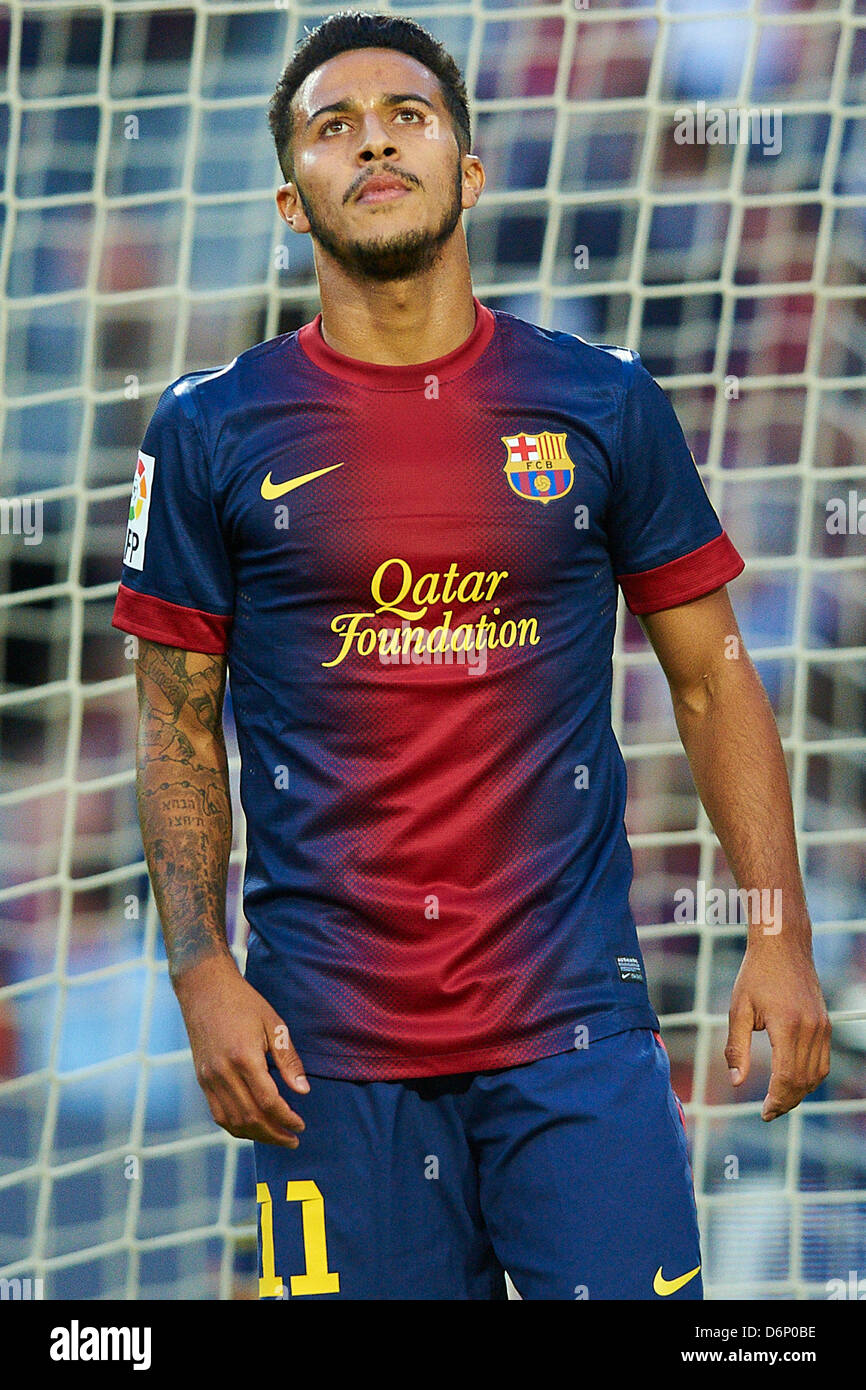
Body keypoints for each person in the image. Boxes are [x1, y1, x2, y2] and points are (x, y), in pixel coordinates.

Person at [112, 10, 830, 1300]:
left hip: (573, 1034)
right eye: (333, 127)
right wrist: (199, 969)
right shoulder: (211, 432)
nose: (373, 143)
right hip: (324, 1046)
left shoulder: (603, 403)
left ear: (471, 171)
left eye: (408, 117)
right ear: (292, 198)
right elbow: (175, 717)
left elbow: (716, 676)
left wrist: (777, 937)